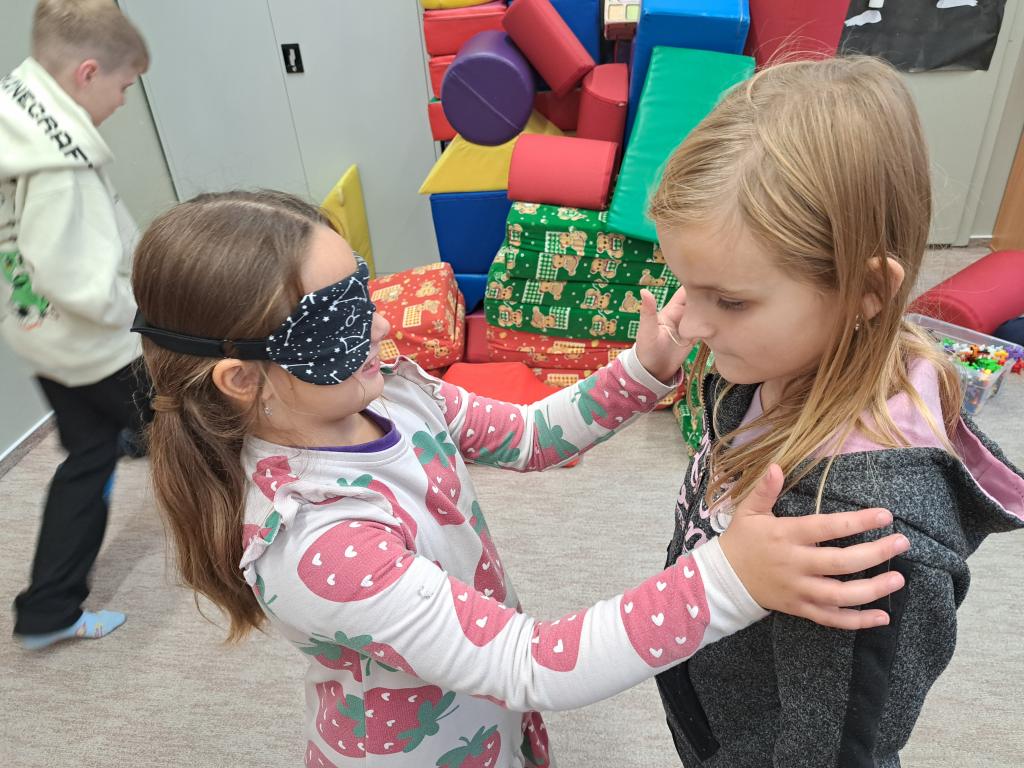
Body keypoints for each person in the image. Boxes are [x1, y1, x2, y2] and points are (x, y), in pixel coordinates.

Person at [131, 189, 910, 767]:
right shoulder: (316, 542)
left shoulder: (393, 392)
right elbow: (525, 662)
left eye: (364, 290)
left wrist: (643, 369)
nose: (379, 323)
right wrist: (728, 580)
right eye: (336, 320)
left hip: (485, 715)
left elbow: (530, 435)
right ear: (241, 378)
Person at [649, 55, 1024, 767]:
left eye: (729, 300)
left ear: (866, 290)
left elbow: (836, 748)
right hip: (719, 707)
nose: (690, 325)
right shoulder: (765, 363)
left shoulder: (862, 541)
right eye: (684, 285)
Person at [1, 0, 152, 649]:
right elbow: (75, 278)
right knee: (207, 429)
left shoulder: (16, 117)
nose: (122, 102)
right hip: (102, 349)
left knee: (89, 457)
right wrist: (148, 316)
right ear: (87, 73)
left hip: (45, 340)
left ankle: (49, 609)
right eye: (124, 87)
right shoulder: (60, 165)